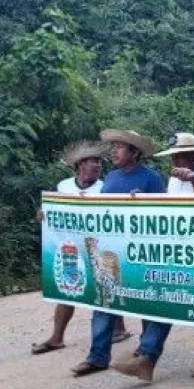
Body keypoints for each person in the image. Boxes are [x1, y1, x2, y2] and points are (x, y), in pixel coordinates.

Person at [109, 132, 194, 382]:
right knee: (166, 301)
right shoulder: (172, 180)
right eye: (172, 157)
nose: (173, 162)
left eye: (178, 156)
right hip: (175, 252)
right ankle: (147, 357)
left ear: (193, 155)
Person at [70, 129, 166, 377]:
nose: (114, 151)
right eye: (114, 147)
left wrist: (144, 203)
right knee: (104, 301)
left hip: (142, 253)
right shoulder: (110, 178)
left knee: (149, 303)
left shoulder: (151, 179)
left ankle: (145, 353)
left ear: (134, 152)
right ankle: (97, 356)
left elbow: (165, 216)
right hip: (112, 251)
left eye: (120, 147)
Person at [31, 141, 132, 355]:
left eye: (99, 161)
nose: (97, 165)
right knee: (66, 290)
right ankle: (57, 337)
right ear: (80, 165)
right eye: (91, 161)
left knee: (105, 286)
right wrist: (44, 214)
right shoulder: (64, 186)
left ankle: (118, 329)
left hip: (99, 245)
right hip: (71, 247)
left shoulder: (105, 187)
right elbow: (55, 211)